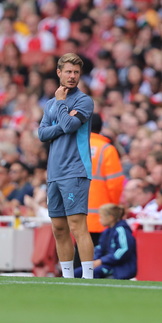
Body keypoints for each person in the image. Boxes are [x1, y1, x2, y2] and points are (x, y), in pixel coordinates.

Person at [38, 53, 95, 279]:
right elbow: (42, 133)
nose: (72, 76)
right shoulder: (50, 104)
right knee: (59, 228)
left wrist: (62, 107)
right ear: (59, 72)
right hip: (55, 172)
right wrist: (62, 121)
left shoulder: (84, 101)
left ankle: (88, 278)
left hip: (75, 170)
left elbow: (71, 126)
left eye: (76, 72)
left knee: (76, 225)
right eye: (69, 72)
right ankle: (68, 279)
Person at [87, 113, 124, 246]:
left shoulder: (73, 147)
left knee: (80, 257)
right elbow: (115, 184)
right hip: (102, 217)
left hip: (77, 215)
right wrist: (112, 210)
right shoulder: (107, 150)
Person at [74, 203, 137, 280]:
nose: (99, 220)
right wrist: (95, 260)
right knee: (76, 273)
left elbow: (123, 250)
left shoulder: (121, 230)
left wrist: (101, 261)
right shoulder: (106, 231)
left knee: (93, 273)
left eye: (101, 217)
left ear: (110, 218)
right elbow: (99, 248)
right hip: (106, 264)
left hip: (120, 268)